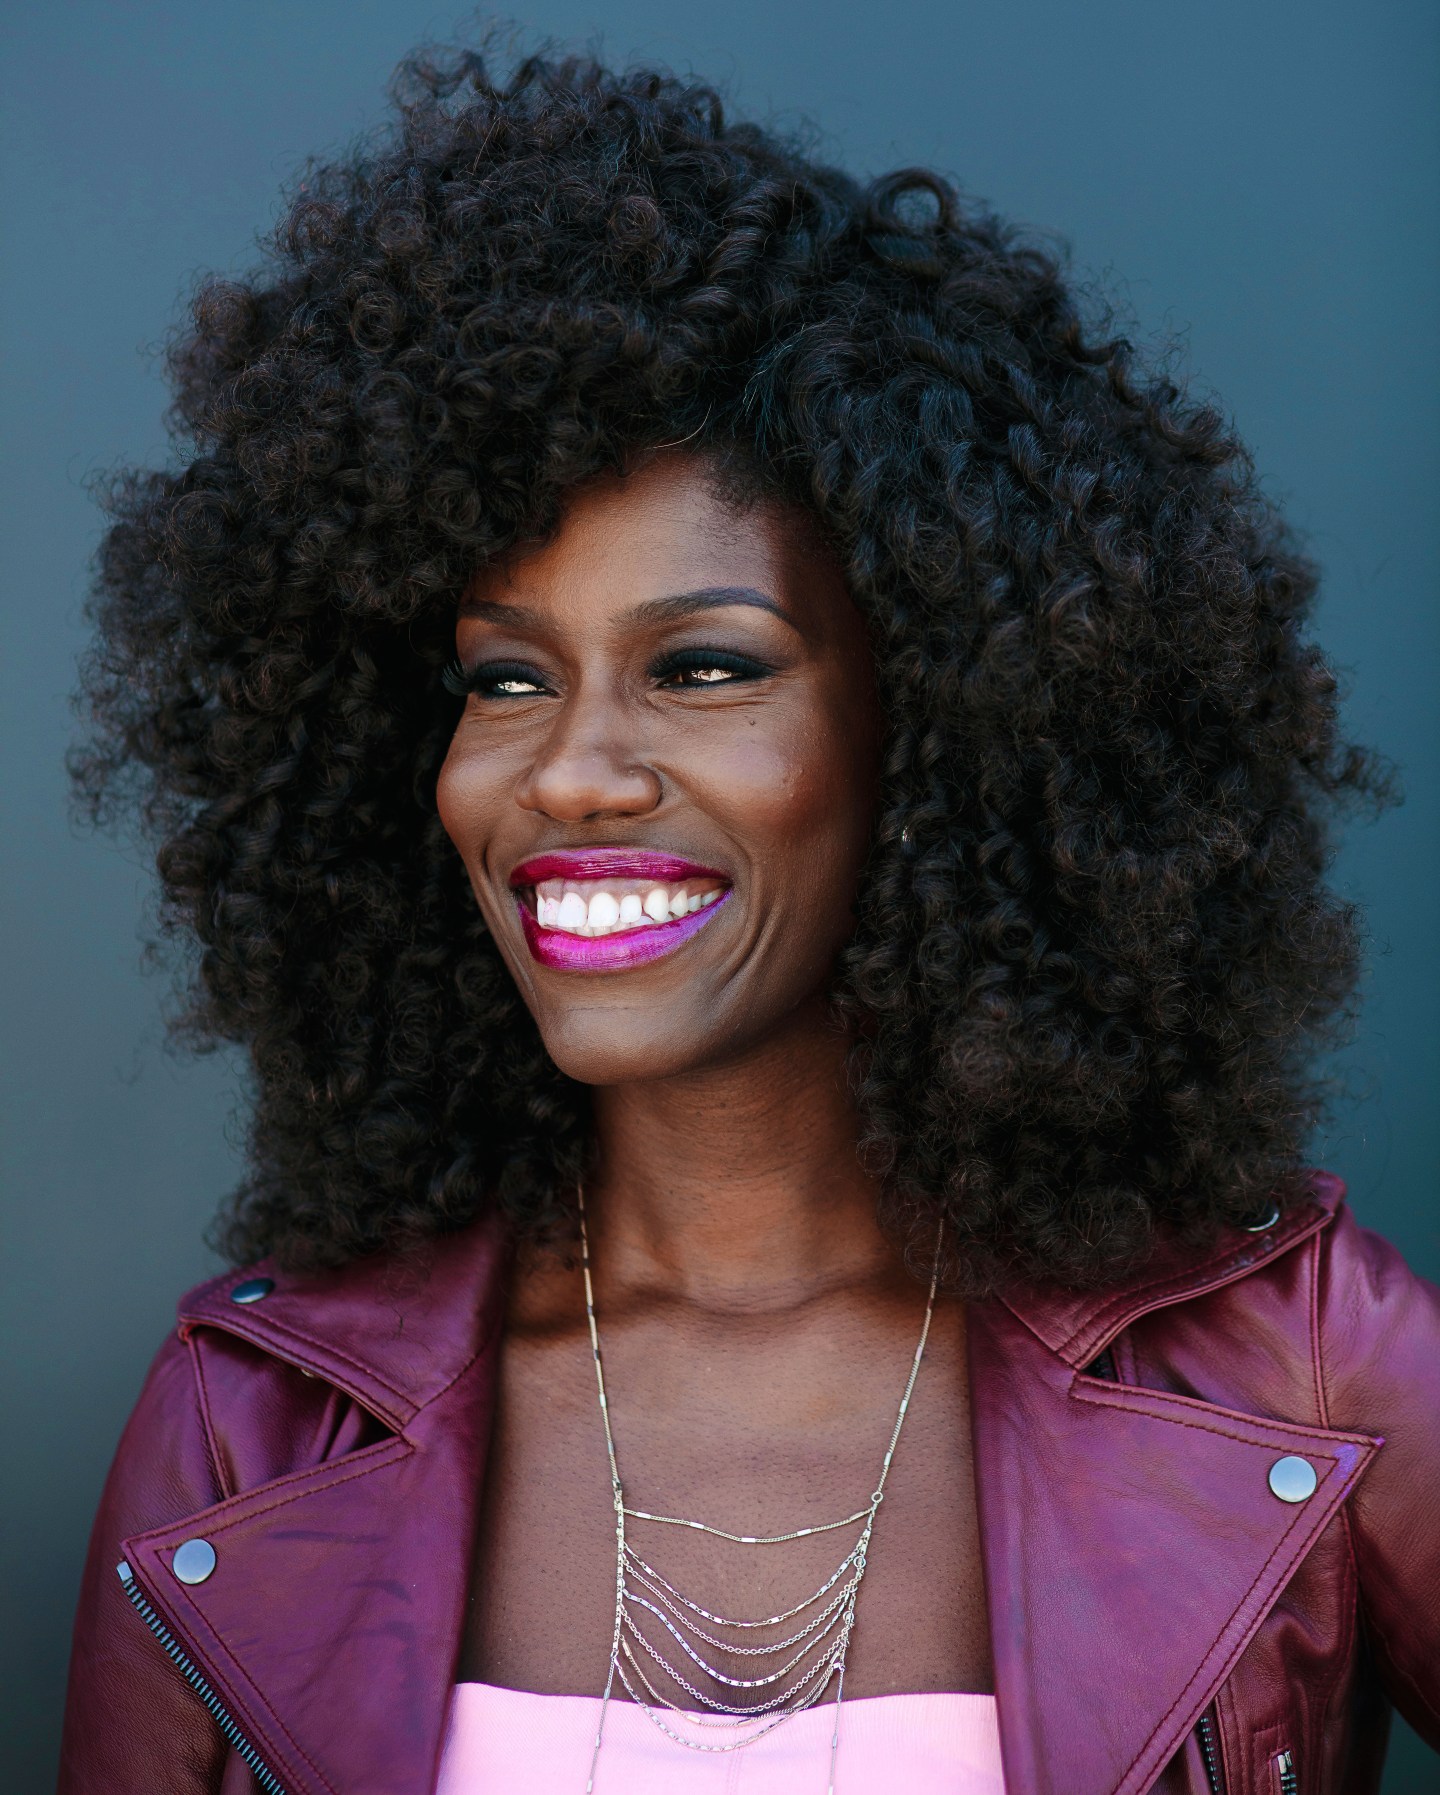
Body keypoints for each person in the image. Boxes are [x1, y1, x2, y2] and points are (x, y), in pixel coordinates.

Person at [59, 40, 1439, 1795]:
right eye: (503, 681)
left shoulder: (1306, 1366)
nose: (569, 775)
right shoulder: (248, 1432)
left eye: (703, 666)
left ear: (943, 715)